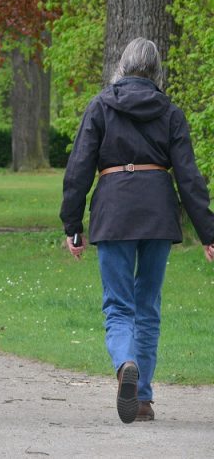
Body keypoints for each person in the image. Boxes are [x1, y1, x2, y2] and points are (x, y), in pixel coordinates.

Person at [60, 38, 214, 424]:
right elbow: (190, 178)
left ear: (122, 66)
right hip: (158, 213)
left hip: (114, 211)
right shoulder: (170, 112)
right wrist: (208, 232)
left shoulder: (100, 106)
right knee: (148, 306)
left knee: (118, 305)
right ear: (156, 70)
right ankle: (142, 398)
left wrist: (73, 226)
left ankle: (124, 363)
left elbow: (79, 168)